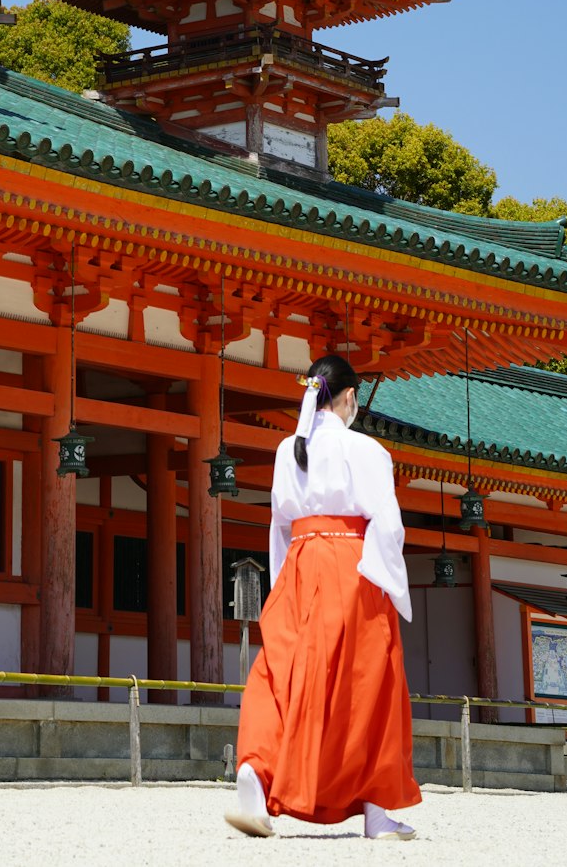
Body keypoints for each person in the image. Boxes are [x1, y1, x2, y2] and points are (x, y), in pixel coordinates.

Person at [225, 354, 421, 841]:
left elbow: (279, 526)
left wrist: (282, 583)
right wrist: (387, 583)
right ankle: (377, 810)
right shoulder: (369, 450)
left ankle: (254, 769)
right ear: (350, 397)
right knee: (370, 680)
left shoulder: (286, 450)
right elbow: (388, 524)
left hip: (300, 561)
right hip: (352, 564)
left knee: (281, 670)